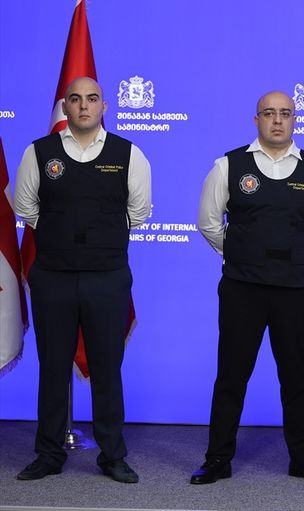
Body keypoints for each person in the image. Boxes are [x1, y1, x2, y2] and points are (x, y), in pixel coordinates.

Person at [192, 90, 304, 485]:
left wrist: (296, 251)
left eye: (285, 113)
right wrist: (242, 251)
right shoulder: (228, 165)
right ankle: (217, 459)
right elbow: (208, 222)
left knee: (296, 376)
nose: (277, 120)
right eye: (269, 113)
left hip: (295, 289)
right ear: (256, 119)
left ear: (294, 120)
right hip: (242, 288)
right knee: (231, 375)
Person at [13, 77, 152, 483]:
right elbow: (25, 207)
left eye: (92, 99)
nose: (84, 106)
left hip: (107, 277)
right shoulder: (39, 152)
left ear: (104, 106)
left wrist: (99, 239)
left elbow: (139, 212)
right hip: (53, 277)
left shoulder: (129, 154)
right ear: (66, 107)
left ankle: (112, 456)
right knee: (53, 368)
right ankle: (49, 453)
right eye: (75, 99)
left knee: (107, 369)